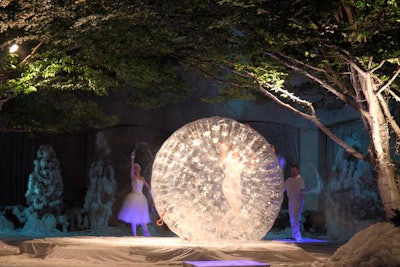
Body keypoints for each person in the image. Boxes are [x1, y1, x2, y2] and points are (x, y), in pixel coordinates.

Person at [118, 151, 152, 236]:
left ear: (139, 169)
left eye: (137, 168)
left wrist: (150, 191)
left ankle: (146, 232)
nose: (136, 169)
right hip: (133, 197)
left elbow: (147, 186)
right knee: (133, 216)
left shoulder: (142, 178)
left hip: (141, 197)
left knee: (142, 215)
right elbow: (131, 169)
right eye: (135, 168)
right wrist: (132, 158)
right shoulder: (133, 177)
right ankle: (134, 234)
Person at [283, 164, 305, 241]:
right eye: (292, 170)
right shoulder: (288, 180)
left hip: (298, 202)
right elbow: (282, 188)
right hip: (291, 202)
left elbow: (302, 190)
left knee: (295, 217)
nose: (293, 172)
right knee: (292, 218)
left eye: (294, 170)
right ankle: (295, 235)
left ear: (297, 170)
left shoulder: (300, 180)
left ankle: (297, 236)